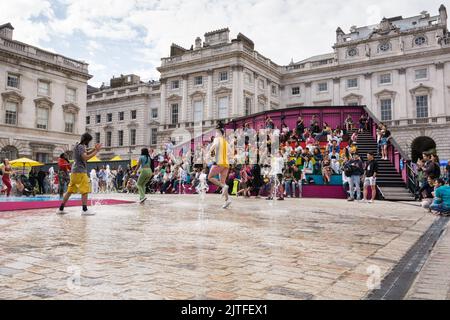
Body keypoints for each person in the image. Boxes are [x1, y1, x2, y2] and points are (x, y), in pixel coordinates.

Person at [57, 133, 102, 215]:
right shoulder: (81, 147)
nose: (89, 142)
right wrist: (96, 151)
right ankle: (84, 210)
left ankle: (61, 208)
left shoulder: (77, 146)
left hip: (74, 172)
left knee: (69, 191)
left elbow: (86, 153)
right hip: (80, 171)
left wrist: (94, 149)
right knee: (85, 190)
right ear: (86, 140)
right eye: (89, 141)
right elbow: (85, 157)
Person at [208, 124, 233, 209]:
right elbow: (231, 154)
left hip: (219, 162)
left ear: (219, 133)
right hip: (226, 164)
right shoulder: (226, 142)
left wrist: (209, 152)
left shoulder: (217, 139)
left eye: (216, 132)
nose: (215, 134)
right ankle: (227, 200)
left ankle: (224, 187)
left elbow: (214, 146)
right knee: (222, 182)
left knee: (210, 177)